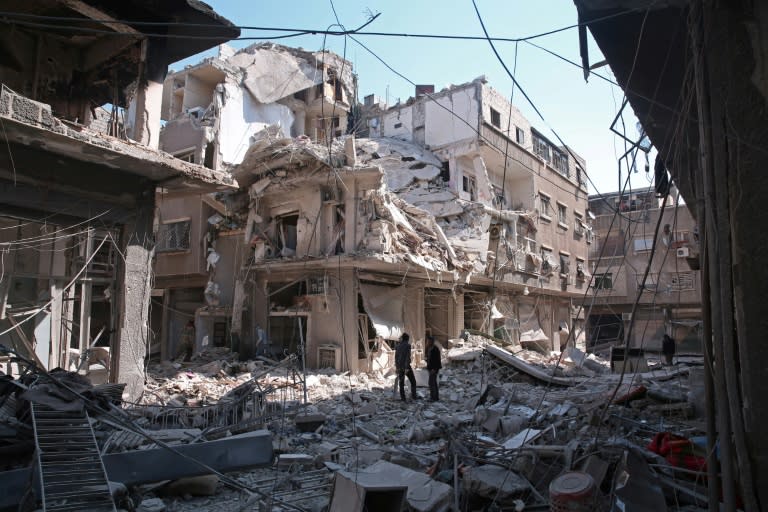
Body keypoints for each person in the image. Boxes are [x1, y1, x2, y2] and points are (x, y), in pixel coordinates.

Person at [395, 333, 417, 402]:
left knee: (401, 383)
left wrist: (397, 367)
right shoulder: (408, 345)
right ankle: (414, 396)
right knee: (413, 381)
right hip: (406, 367)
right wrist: (407, 368)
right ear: (407, 339)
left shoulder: (398, 346)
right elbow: (408, 357)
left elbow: (396, 358)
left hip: (400, 367)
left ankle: (403, 398)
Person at [425, 335, 442, 402]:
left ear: (431, 341)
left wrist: (434, 369)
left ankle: (433, 398)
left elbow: (437, 360)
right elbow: (429, 358)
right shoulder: (429, 348)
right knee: (433, 383)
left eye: (428, 341)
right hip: (430, 368)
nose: (427, 342)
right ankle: (435, 397)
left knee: (432, 383)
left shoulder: (435, 349)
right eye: (427, 341)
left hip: (433, 369)